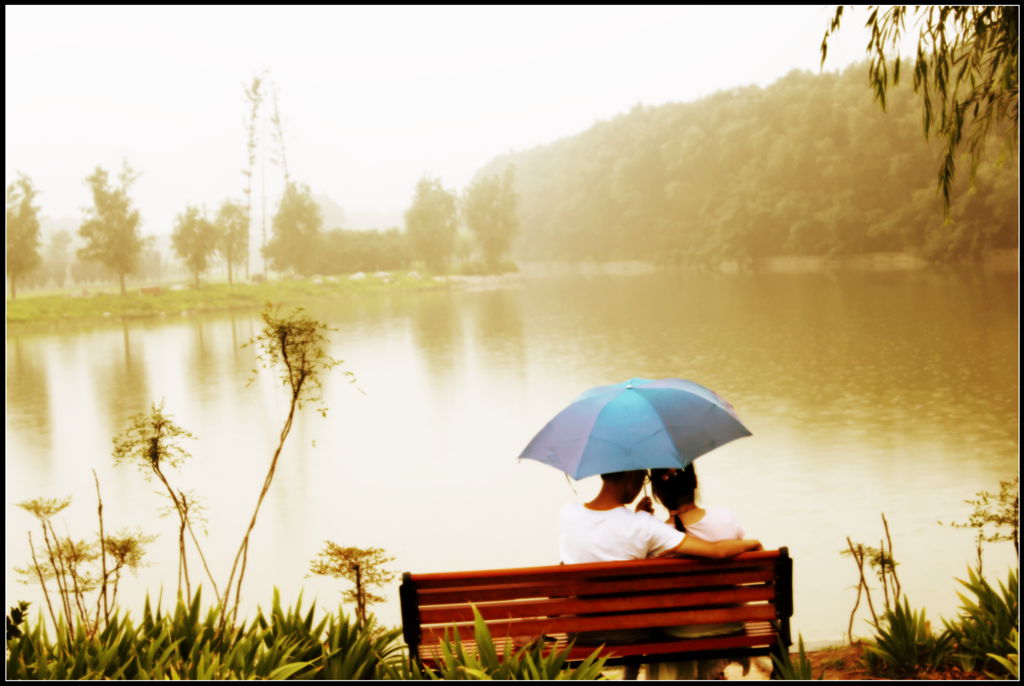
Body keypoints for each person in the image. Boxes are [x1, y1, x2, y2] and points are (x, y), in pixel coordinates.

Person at [558, 469, 762, 679]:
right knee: (658, 622)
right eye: (643, 478)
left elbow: (603, 538)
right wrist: (751, 543)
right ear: (632, 477)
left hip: (579, 632)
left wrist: (638, 517)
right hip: (629, 633)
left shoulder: (568, 513)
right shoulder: (644, 526)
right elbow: (716, 551)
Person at [645, 464, 751, 680]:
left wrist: (642, 520)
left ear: (657, 493)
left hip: (679, 629)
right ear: (694, 482)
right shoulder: (725, 518)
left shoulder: (653, 534)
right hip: (730, 622)